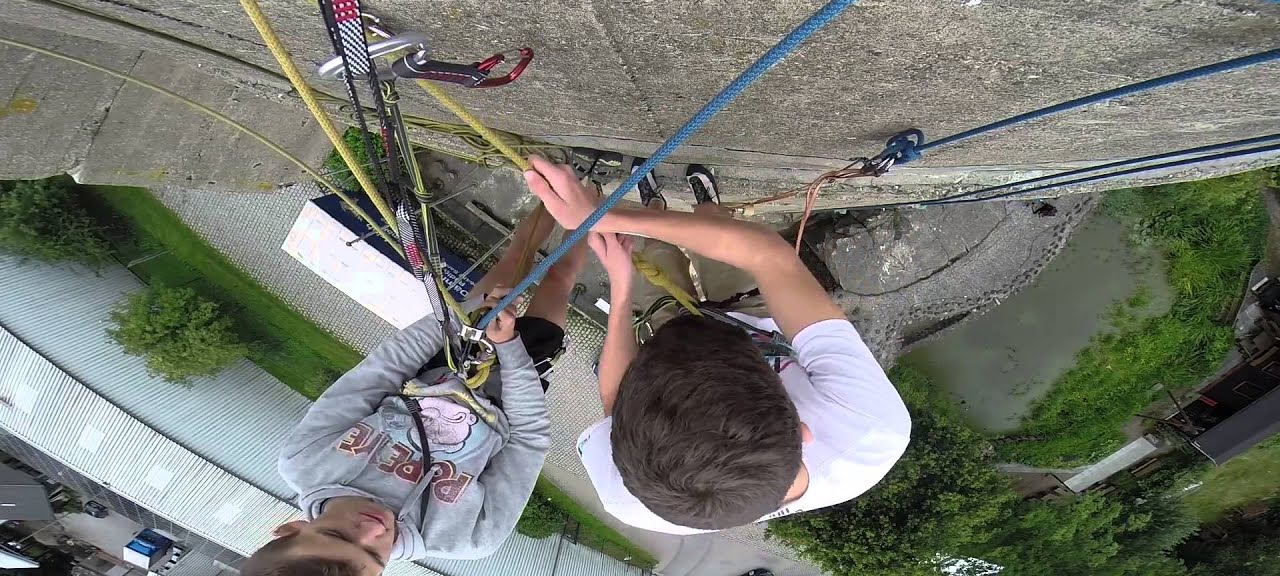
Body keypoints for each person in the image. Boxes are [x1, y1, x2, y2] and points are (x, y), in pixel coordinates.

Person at [524, 155, 912, 534]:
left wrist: (623, 291)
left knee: (648, 255)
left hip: (695, 345)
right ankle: (706, 206)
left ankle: (653, 203)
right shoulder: (870, 428)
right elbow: (768, 256)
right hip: (765, 322)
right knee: (718, 242)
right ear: (802, 429)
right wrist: (606, 217)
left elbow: (616, 403)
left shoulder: (631, 497)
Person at [240, 206, 590, 575]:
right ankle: (592, 203)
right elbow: (528, 442)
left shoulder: (306, 462)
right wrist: (511, 347)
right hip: (515, 390)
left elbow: (380, 373)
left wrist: (463, 315)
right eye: (377, 557)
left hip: (443, 353)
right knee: (559, 278)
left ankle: (561, 192)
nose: (375, 529)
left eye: (339, 534)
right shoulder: (465, 538)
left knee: (516, 255)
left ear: (289, 530)